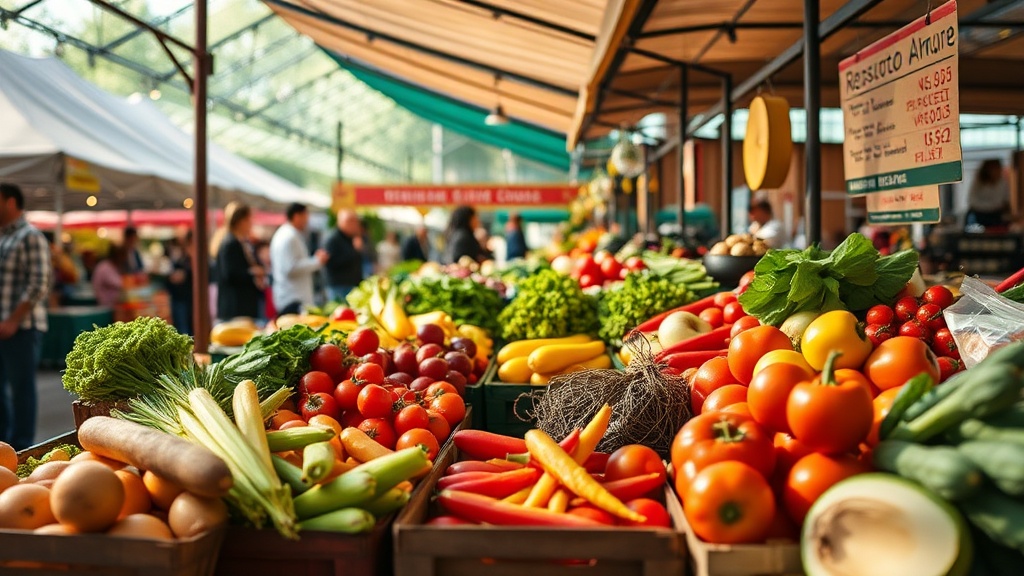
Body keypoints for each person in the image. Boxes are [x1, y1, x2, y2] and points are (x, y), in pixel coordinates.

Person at [0, 183, 52, 449]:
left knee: (22, 390)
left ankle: (21, 448)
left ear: (10, 202)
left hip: (22, 328)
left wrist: (12, 320)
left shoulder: (29, 236)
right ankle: (4, 446)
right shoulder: (3, 236)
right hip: (5, 327)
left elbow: (39, 283)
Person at [270, 203, 327, 316]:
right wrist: (316, 261)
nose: (307, 220)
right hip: (292, 299)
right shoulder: (288, 237)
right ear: (297, 216)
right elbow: (290, 269)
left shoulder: (289, 234)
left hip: (294, 297)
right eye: (306, 216)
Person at [216, 204, 264, 320]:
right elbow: (230, 274)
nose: (251, 223)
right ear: (240, 221)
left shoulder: (241, 242)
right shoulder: (230, 243)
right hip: (235, 307)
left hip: (242, 305)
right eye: (248, 219)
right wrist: (253, 272)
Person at [323, 209, 364, 302]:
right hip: (339, 286)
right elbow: (331, 263)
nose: (356, 225)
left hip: (352, 284)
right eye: (353, 222)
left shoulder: (351, 237)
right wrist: (354, 251)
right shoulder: (332, 239)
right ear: (344, 222)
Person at [967, 159, 1010, 229]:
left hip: (995, 215)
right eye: (993, 168)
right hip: (979, 214)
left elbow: (1003, 200)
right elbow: (972, 200)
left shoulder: (1003, 183)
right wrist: (985, 208)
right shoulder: (978, 182)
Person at [167, 231, 194, 335]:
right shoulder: (181, 260)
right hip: (181, 300)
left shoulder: (200, 260)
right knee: (183, 331)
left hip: (190, 300)